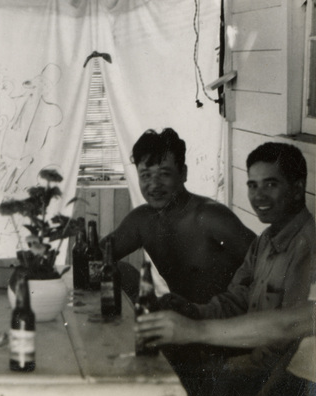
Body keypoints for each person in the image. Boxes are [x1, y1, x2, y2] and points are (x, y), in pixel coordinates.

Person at [136, 142, 315, 396]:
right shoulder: (265, 241)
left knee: (176, 388)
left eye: (270, 184)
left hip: (276, 382)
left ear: (297, 188)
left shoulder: (308, 249)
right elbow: (236, 299)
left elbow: (291, 341)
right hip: (246, 360)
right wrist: (191, 310)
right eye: (252, 185)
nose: (259, 196)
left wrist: (226, 377)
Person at [110, 128, 257, 305]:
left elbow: (266, 262)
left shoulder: (211, 217)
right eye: (146, 176)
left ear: (183, 174)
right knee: (119, 269)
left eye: (164, 174)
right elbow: (96, 255)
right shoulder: (142, 220)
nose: (154, 185)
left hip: (224, 323)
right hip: (183, 321)